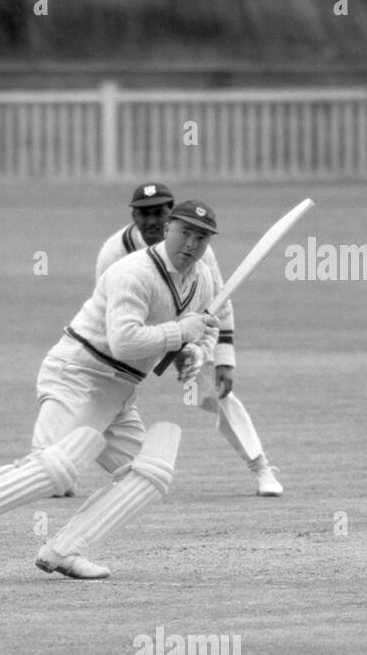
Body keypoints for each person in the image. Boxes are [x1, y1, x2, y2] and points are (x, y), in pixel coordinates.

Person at [0, 201, 223, 581]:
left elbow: (188, 332)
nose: (191, 244)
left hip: (121, 389)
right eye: (185, 232)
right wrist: (181, 334)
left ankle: (66, 549)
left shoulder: (202, 280)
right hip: (77, 373)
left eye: (201, 237)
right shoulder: (133, 272)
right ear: (170, 228)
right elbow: (125, 340)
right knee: (56, 469)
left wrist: (189, 354)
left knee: (150, 473)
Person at [96, 182, 283, 497]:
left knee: (217, 395)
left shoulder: (197, 246)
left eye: (160, 212)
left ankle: (261, 467)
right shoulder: (114, 252)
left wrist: (221, 359)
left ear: (170, 216)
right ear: (133, 215)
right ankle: (71, 471)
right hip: (134, 335)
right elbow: (106, 312)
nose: (153, 221)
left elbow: (221, 301)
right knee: (96, 395)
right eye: (145, 214)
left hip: (189, 330)